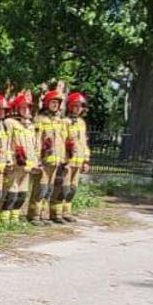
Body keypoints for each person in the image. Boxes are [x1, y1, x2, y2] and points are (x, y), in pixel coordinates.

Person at [29, 90, 67, 223]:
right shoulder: (40, 120)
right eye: (53, 102)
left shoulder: (58, 121)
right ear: (47, 103)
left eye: (57, 103)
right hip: (44, 162)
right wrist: (36, 160)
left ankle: (43, 215)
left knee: (48, 190)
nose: (55, 105)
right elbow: (36, 141)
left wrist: (63, 159)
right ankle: (34, 215)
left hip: (55, 162)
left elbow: (61, 141)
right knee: (40, 189)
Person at [52, 92, 91, 222]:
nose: (78, 108)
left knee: (72, 189)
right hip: (67, 162)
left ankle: (66, 212)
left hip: (78, 162)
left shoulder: (81, 123)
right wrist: (63, 160)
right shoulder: (65, 122)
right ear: (70, 106)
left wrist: (86, 160)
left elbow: (84, 143)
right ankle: (56, 213)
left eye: (80, 106)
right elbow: (61, 141)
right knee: (63, 188)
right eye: (76, 106)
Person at [0, 93, 33, 222]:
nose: (25, 110)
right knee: (10, 193)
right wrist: (8, 160)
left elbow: (33, 146)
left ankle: (14, 219)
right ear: (16, 108)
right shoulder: (9, 123)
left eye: (27, 107)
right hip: (14, 165)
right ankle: (3, 219)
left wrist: (35, 163)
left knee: (22, 195)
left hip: (26, 166)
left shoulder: (29, 125)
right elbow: (5, 142)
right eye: (22, 107)